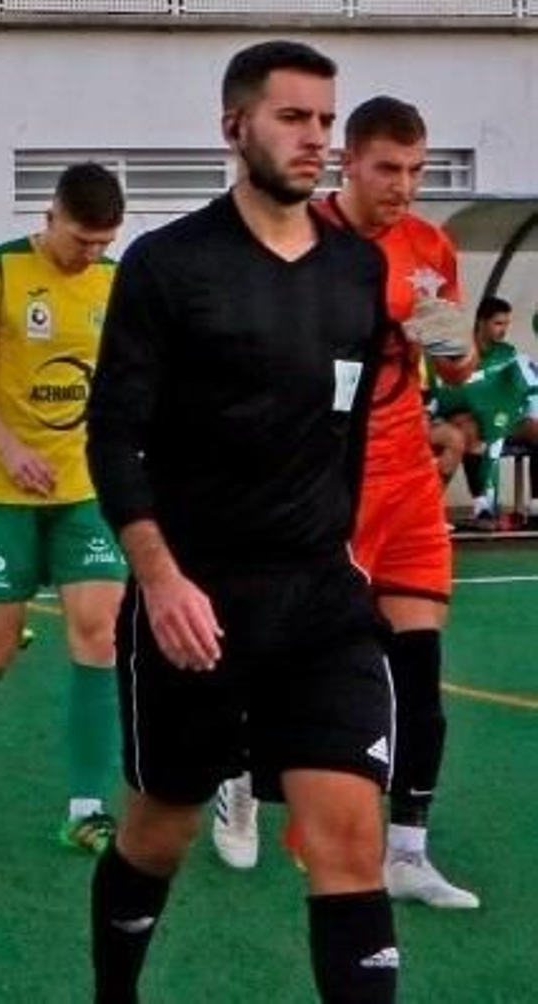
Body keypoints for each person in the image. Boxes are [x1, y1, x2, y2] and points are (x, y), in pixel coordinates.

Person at [87, 41, 401, 1002]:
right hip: (198, 601)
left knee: (349, 835)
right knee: (160, 830)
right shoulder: (168, 266)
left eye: (325, 122)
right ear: (236, 127)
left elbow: (347, 420)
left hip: (319, 597)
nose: (317, 141)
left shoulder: (357, 269)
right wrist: (160, 575)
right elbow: (112, 438)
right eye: (294, 118)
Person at [213, 96, 482, 910]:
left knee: (417, 668)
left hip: (405, 481)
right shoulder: (306, 241)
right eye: (387, 169)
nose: (403, 187)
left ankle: (408, 849)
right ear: (348, 166)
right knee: (284, 649)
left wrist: (452, 356)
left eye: (417, 170)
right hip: (321, 480)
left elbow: (460, 366)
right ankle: (240, 777)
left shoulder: (429, 245)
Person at [0, 162, 127, 845]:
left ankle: (85, 810)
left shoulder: (113, 281)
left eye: (104, 243)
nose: (91, 254)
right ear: (51, 218)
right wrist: (10, 447)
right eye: (81, 240)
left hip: (83, 490)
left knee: (99, 631)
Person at [437, 296, 538, 528]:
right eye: (498, 323)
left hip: (504, 419)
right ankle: (481, 507)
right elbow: (447, 392)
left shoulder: (508, 352)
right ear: (481, 322)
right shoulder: (458, 351)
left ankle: (536, 507)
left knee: (536, 429)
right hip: (468, 420)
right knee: (468, 429)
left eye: (506, 324)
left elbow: (523, 388)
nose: (503, 330)